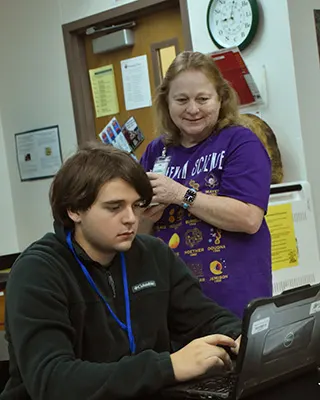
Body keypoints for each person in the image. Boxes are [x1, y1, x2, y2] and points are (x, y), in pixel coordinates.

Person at [1, 143, 242, 400]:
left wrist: (240, 338)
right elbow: (53, 381)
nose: (131, 219)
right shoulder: (38, 271)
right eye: (114, 207)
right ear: (74, 210)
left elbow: (205, 318)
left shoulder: (153, 254)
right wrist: (167, 367)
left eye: (136, 206)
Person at [140, 51, 272, 317]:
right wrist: (146, 217)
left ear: (220, 98)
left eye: (202, 99)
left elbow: (248, 218)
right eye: (181, 99)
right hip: (174, 305)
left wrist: (180, 194)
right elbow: (140, 233)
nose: (192, 109)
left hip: (233, 303)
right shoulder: (156, 152)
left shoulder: (240, 143)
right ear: (166, 102)